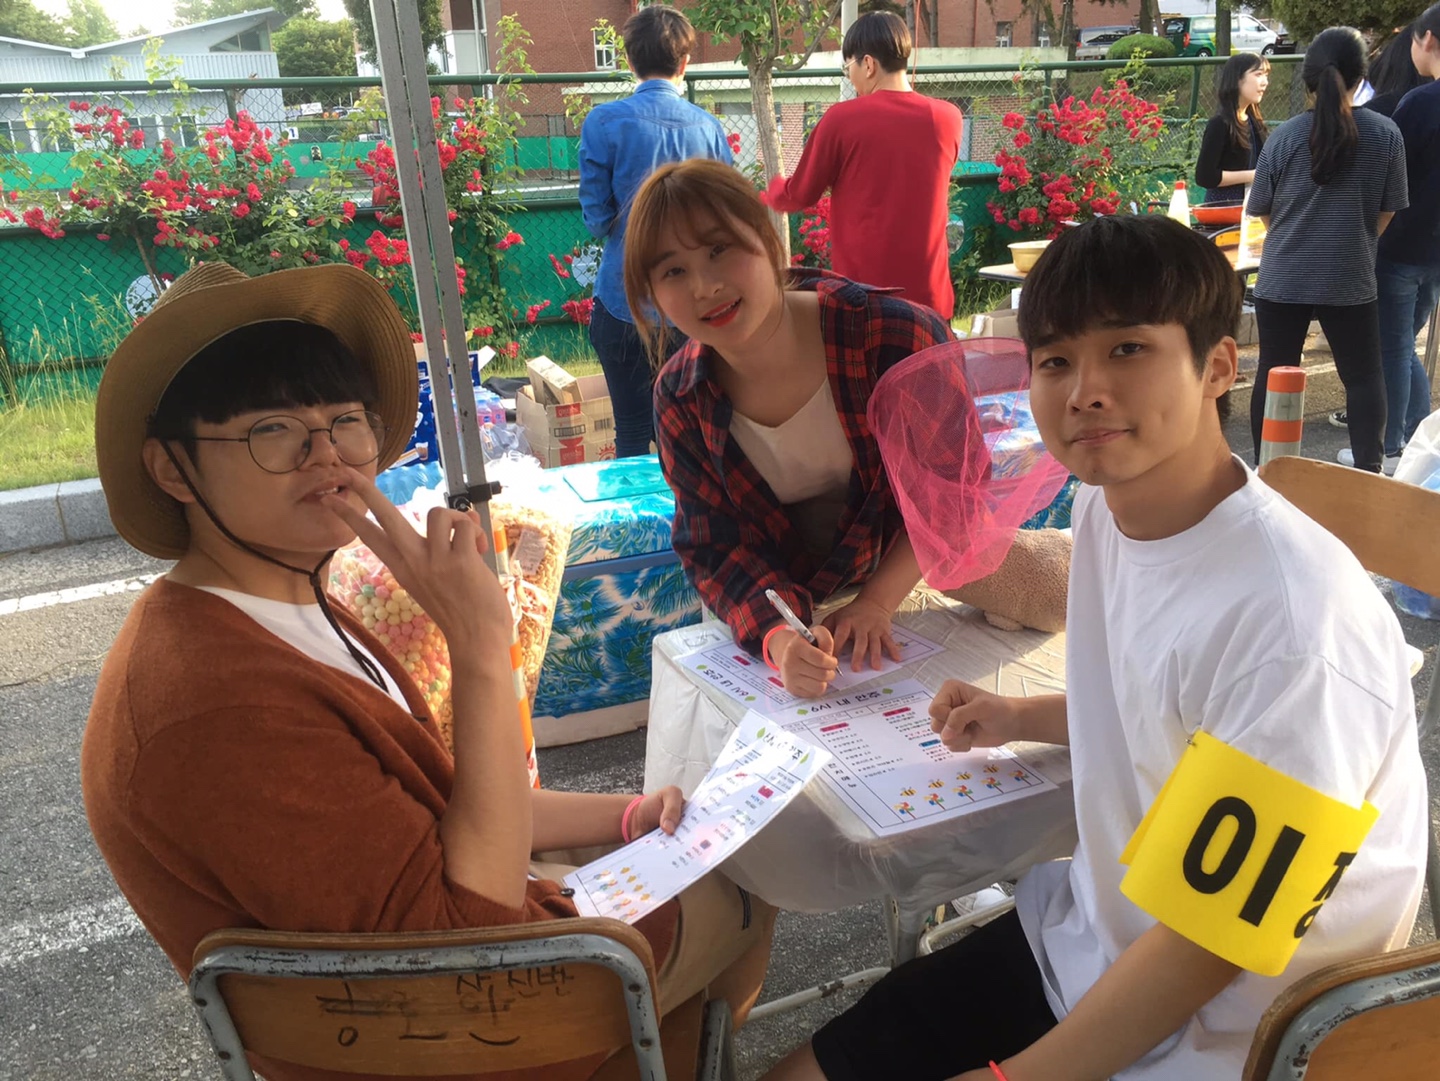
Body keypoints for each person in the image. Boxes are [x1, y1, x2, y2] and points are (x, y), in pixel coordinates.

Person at [762, 213, 1428, 1081]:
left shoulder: (1296, 628)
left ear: (1218, 366)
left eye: (1128, 349)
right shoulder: (1105, 509)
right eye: (1055, 361)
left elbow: (1208, 942)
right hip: (1084, 944)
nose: (1085, 392)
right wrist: (1020, 715)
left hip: (1231, 1040)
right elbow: (1166, 716)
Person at [80, 262, 774, 1081]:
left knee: (694, 848)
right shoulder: (214, 703)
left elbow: (444, 804)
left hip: (460, 980)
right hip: (452, 1030)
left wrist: (626, 814)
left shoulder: (278, 601)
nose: (326, 456)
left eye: (344, 421)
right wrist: (480, 643)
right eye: (272, 430)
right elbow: (468, 933)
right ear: (172, 469)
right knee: (744, 888)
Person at [628, 158, 1069, 699]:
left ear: (768, 239)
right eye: (673, 271)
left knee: (1052, 601)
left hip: (900, 564)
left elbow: (955, 493)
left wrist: (877, 601)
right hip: (780, 599)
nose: (704, 286)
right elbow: (715, 547)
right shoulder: (680, 397)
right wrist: (778, 640)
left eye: (719, 249)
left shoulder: (894, 337)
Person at [1247, 26, 1408, 473]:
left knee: (1274, 371)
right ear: (1362, 76)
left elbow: (1262, 209)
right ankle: (1368, 473)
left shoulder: (1284, 137)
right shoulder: (1386, 135)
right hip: (1350, 276)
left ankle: (1269, 473)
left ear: (1309, 78)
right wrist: (1354, 239)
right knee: (1363, 377)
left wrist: (1295, 237)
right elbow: (1389, 210)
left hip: (1282, 277)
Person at [578, 4, 733, 457]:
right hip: (694, 307)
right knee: (692, 434)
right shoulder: (711, 129)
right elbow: (725, 221)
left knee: (630, 432)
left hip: (622, 300)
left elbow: (596, 220)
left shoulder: (603, 122)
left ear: (629, 61)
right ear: (685, 62)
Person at [758, 11, 964, 319]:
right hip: (930, 299)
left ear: (868, 64)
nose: (850, 78)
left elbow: (800, 194)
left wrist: (768, 192)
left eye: (848, 68)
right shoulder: (948, 118)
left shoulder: (841, 120)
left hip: (864, 299)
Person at [1333, 10, 1440, 469]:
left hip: (1400, 245)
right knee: (1403, 345)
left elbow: (1390, 179)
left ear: (1427, 39)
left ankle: (1391, 446)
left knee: (1392, 347)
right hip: (1435, 252)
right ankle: (1418, 437)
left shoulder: (1419, 103)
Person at [1194, 52, 1270, 204]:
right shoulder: (1219, 124)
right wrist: (1253, 175)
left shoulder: (1255, 123)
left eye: (1266, 75)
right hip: (1223, 210)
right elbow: (1205, 176)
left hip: (1252, 207)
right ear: (1237, 79)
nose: (1265, 82)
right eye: (1258, 74)